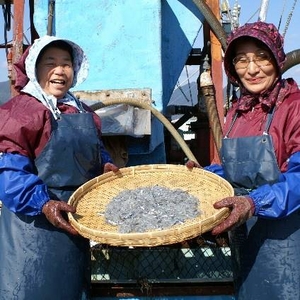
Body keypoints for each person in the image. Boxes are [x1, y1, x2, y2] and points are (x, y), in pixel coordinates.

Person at [187, 21, 300, 299]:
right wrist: (207, 175)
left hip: (286, 238)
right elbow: (237, 171)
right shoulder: (238, 111)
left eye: (261, 57)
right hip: (245, 236)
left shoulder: (294, 105)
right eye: (241, 60)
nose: (251, 69)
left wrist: (254, 202)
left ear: (276, 57)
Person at [0, 35, 119, 300]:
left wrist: (106, 166)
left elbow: (96, 154)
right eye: (50, 62)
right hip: (32, 230)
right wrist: (45, 204)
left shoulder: (80, 111)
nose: (60, 70)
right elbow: (10, 174)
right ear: (34, 68)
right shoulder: (22, 111)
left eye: (66, 63)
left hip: (75, 223)